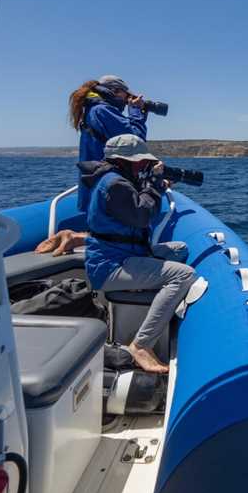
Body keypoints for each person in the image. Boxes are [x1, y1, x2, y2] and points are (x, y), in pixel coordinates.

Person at [78, 134, 195, 373]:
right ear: (125, 160)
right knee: (183, 275)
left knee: (179, 249)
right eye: (142, 162)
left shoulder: (116, 179)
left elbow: (135, 205)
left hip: (122, 254)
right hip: (110, 266)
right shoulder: (115, 185)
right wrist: (153, 185)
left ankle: (144, 287)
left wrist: (156, 186)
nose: (145, 166)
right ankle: (141, 345)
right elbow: (141, 215)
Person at [69, 75, 150, 212]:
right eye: (127, 95)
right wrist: (135, 112)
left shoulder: (91, 109)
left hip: (95, 183)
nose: (127, 101)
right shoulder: (102, 110)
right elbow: (135, 140)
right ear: (115, 91)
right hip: (106, 185)